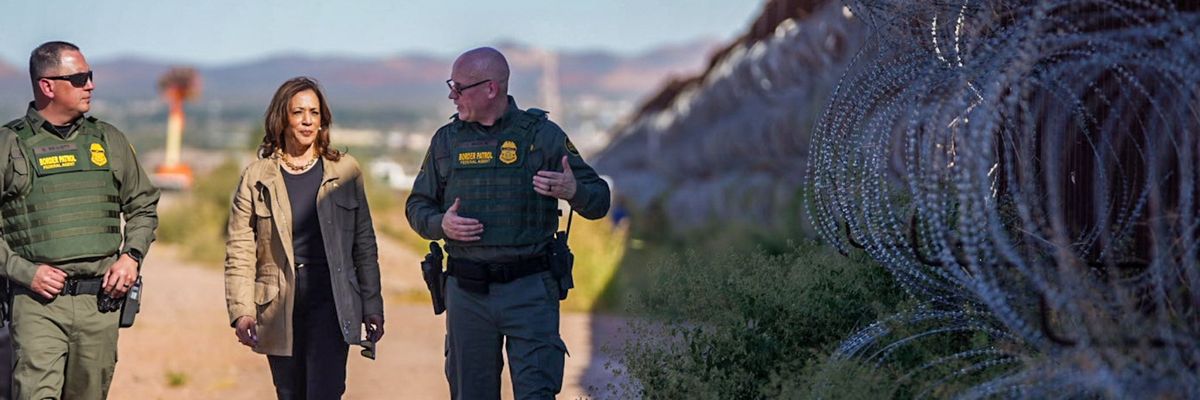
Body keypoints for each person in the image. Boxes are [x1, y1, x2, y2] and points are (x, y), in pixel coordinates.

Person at [406, 47, 611, 400]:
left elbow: (600, 199)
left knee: (537, 392)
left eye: (459, 87)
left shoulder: (542, 137)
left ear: (491, 89)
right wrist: (442, 224)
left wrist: (573, 189)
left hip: (530, 290)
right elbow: (416, 206)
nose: (451, 96)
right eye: (450, 86)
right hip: (467, 292)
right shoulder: (446, 141)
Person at [0, 41, 160, 399]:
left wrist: (131, 256)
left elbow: (143, 205)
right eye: (79, 77)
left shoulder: (108, 139)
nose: (90, 84)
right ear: (47, 86)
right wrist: (25, 271)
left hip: (98, 304)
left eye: (90, 76)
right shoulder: (9, 145)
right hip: (37, 304)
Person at [224, 77, 384, 399]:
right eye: (298, 112)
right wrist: (242, 310)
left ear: (323, 119)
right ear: (282, 119)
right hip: (279, 304)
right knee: (289, 393)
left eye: (314, 112)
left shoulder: (346, 171)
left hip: (332, 300)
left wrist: (372, 304)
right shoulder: (256, 177)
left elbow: (364, 245)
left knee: (326, 391)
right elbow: (240, 251)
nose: (308, 120)